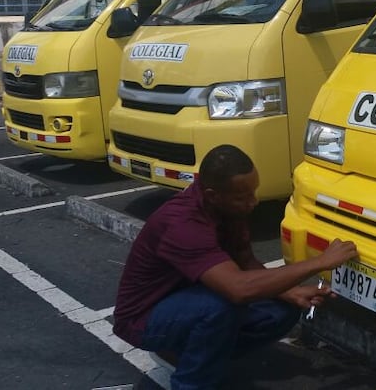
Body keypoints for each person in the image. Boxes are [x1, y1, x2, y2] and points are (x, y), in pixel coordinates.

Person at [112, 144, 358, 389]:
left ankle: (196, 356)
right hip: (144, 319)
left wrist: (291, 293)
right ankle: (191, 381)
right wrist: (320, 262)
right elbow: (238, 289)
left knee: (281, 309)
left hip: (190, 300)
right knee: (218, 307)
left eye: (253, 191)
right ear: (212, 194)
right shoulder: (183, 224)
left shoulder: (228, 209)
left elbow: (246, 262)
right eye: (242, 197)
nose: (253, 201)